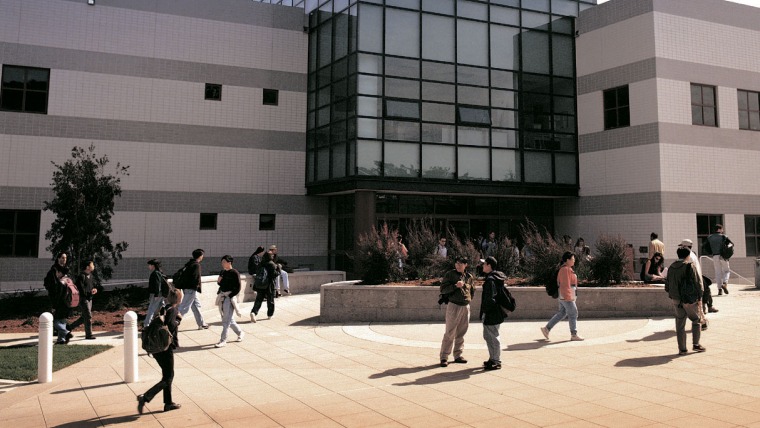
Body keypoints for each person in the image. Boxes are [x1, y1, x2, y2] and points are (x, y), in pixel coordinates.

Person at [137, 287, 183, 414]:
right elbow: (171, 325)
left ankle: (168, 403)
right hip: (165, 347)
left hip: (156, 347)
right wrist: (178, 319)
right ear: (179, 299)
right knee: (169, 376)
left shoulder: (163, 308)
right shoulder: (173, 310)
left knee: (166, 375)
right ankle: (146, 397)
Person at [664, 247, 706, 355]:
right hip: (689, 299)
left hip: (676, 299)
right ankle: (696, 344)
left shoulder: (671, 267)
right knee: (696, 320)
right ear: (688, 255)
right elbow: (697, 283)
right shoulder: (689, 266)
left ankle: (682, 349)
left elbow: (667, 285)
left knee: (680, 323)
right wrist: (700, 296)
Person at [438, 256, 475, 367]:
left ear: (465, 265)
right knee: (450, 332)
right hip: (454, 306)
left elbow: (472, 290)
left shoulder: (469, 276)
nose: (458, 265)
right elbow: (443, 289)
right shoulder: (450, 275)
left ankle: (458, 355)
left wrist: (468, 299)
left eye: (460, 264)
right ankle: (444, 357)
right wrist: (455, 286)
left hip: (465, 307)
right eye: (456, 263)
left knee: (461, 332)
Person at [541, 252, 584, 342]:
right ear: (567, 260)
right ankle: (574, 334)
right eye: (572, 259)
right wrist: (569, 297)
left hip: (565, 295)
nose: (574, 260)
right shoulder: (565, 270)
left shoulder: (567, 269)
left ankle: (547, 328)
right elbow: (565, 285)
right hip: (566, 295)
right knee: (573, 313)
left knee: (562, 313)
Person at [480, 256, 507, 370]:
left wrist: (486, 311)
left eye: (484, 264)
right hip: (495, 312)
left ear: (489, 265)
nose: (482, 266)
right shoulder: (496, 277)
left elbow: (490, 298)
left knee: (493, 336)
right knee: (489, 336)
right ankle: (493, 358)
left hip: (491, 313)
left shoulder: (491, 280)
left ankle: (496, 360)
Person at [214, 255, 244, 348]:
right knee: (229, 319)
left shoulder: (234, 272)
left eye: (224, 262)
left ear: (229, 263)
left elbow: (238, 287)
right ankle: (240, 332)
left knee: (226, 320)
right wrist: (219, 281)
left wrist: (230, 296)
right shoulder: (223, 272)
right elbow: (220, 283)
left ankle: (223, 340)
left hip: (229, 298)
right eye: (222, 262)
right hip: (222, 296)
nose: (222, 264)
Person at [68, 260, 101, 340]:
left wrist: (94, 289)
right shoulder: (81, 276)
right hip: (83, 299)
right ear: (87, 267)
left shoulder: (91, 275)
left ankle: (68, 328)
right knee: (88, 316)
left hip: (90, 298)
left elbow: (91, 286)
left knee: (84, 317)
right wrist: (89, 292)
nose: (93, 266)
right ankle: (89, 335)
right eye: (92, 264)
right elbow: (81, 290)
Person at [176, 249, 209, 330]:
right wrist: (196, 288)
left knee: (196, 306)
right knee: (184, 307)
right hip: (191, 289)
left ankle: (201, 324)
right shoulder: (196, 265)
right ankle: (173, 322)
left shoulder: (189, 264)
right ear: (200, 256)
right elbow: (196, 277)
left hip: (186, 288)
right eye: (202, 255)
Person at [251, 250, 278, 321]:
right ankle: (270, 315)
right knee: (270, 300)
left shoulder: (261, 263)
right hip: (269, 285)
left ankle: (254, 312)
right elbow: (274, 274)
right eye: (271, 255)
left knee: (258, 300)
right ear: (269, 256)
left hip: (261, 284)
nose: (273, 256)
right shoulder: (271, 264)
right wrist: (279, 269)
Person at [50, 264, 73, 344]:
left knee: (55, 322)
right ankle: (61, 340)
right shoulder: (68, 280)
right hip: (68, 304)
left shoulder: (60, 282)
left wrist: (54, 306)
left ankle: (66, 332)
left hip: (61, 304)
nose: (56, 273)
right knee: (62, 321)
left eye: (57, 272)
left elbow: (58, 296)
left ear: (60, 272)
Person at [706, 224, 732, 295]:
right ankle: (725, 283)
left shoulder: (710, 237)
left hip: (715, 256)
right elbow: (731, 244)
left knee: (718, 272)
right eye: (722, 229)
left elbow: (705, 247)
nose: (723, 230)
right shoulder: (723, 236)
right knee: (727, 271)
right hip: (723, 256)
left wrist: (712, 251)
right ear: (719, 229)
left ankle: (719, 289)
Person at [144, 259, 166, 328]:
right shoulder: (159, 272)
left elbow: (157, 284)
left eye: (149, 265)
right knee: (161, 307)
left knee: (151, 309)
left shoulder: (155, 273)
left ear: (153, 266)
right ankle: (162, 322)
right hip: (161, 294)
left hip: (157, 294)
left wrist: (156, 294)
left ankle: (146, 325)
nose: (148, 267)